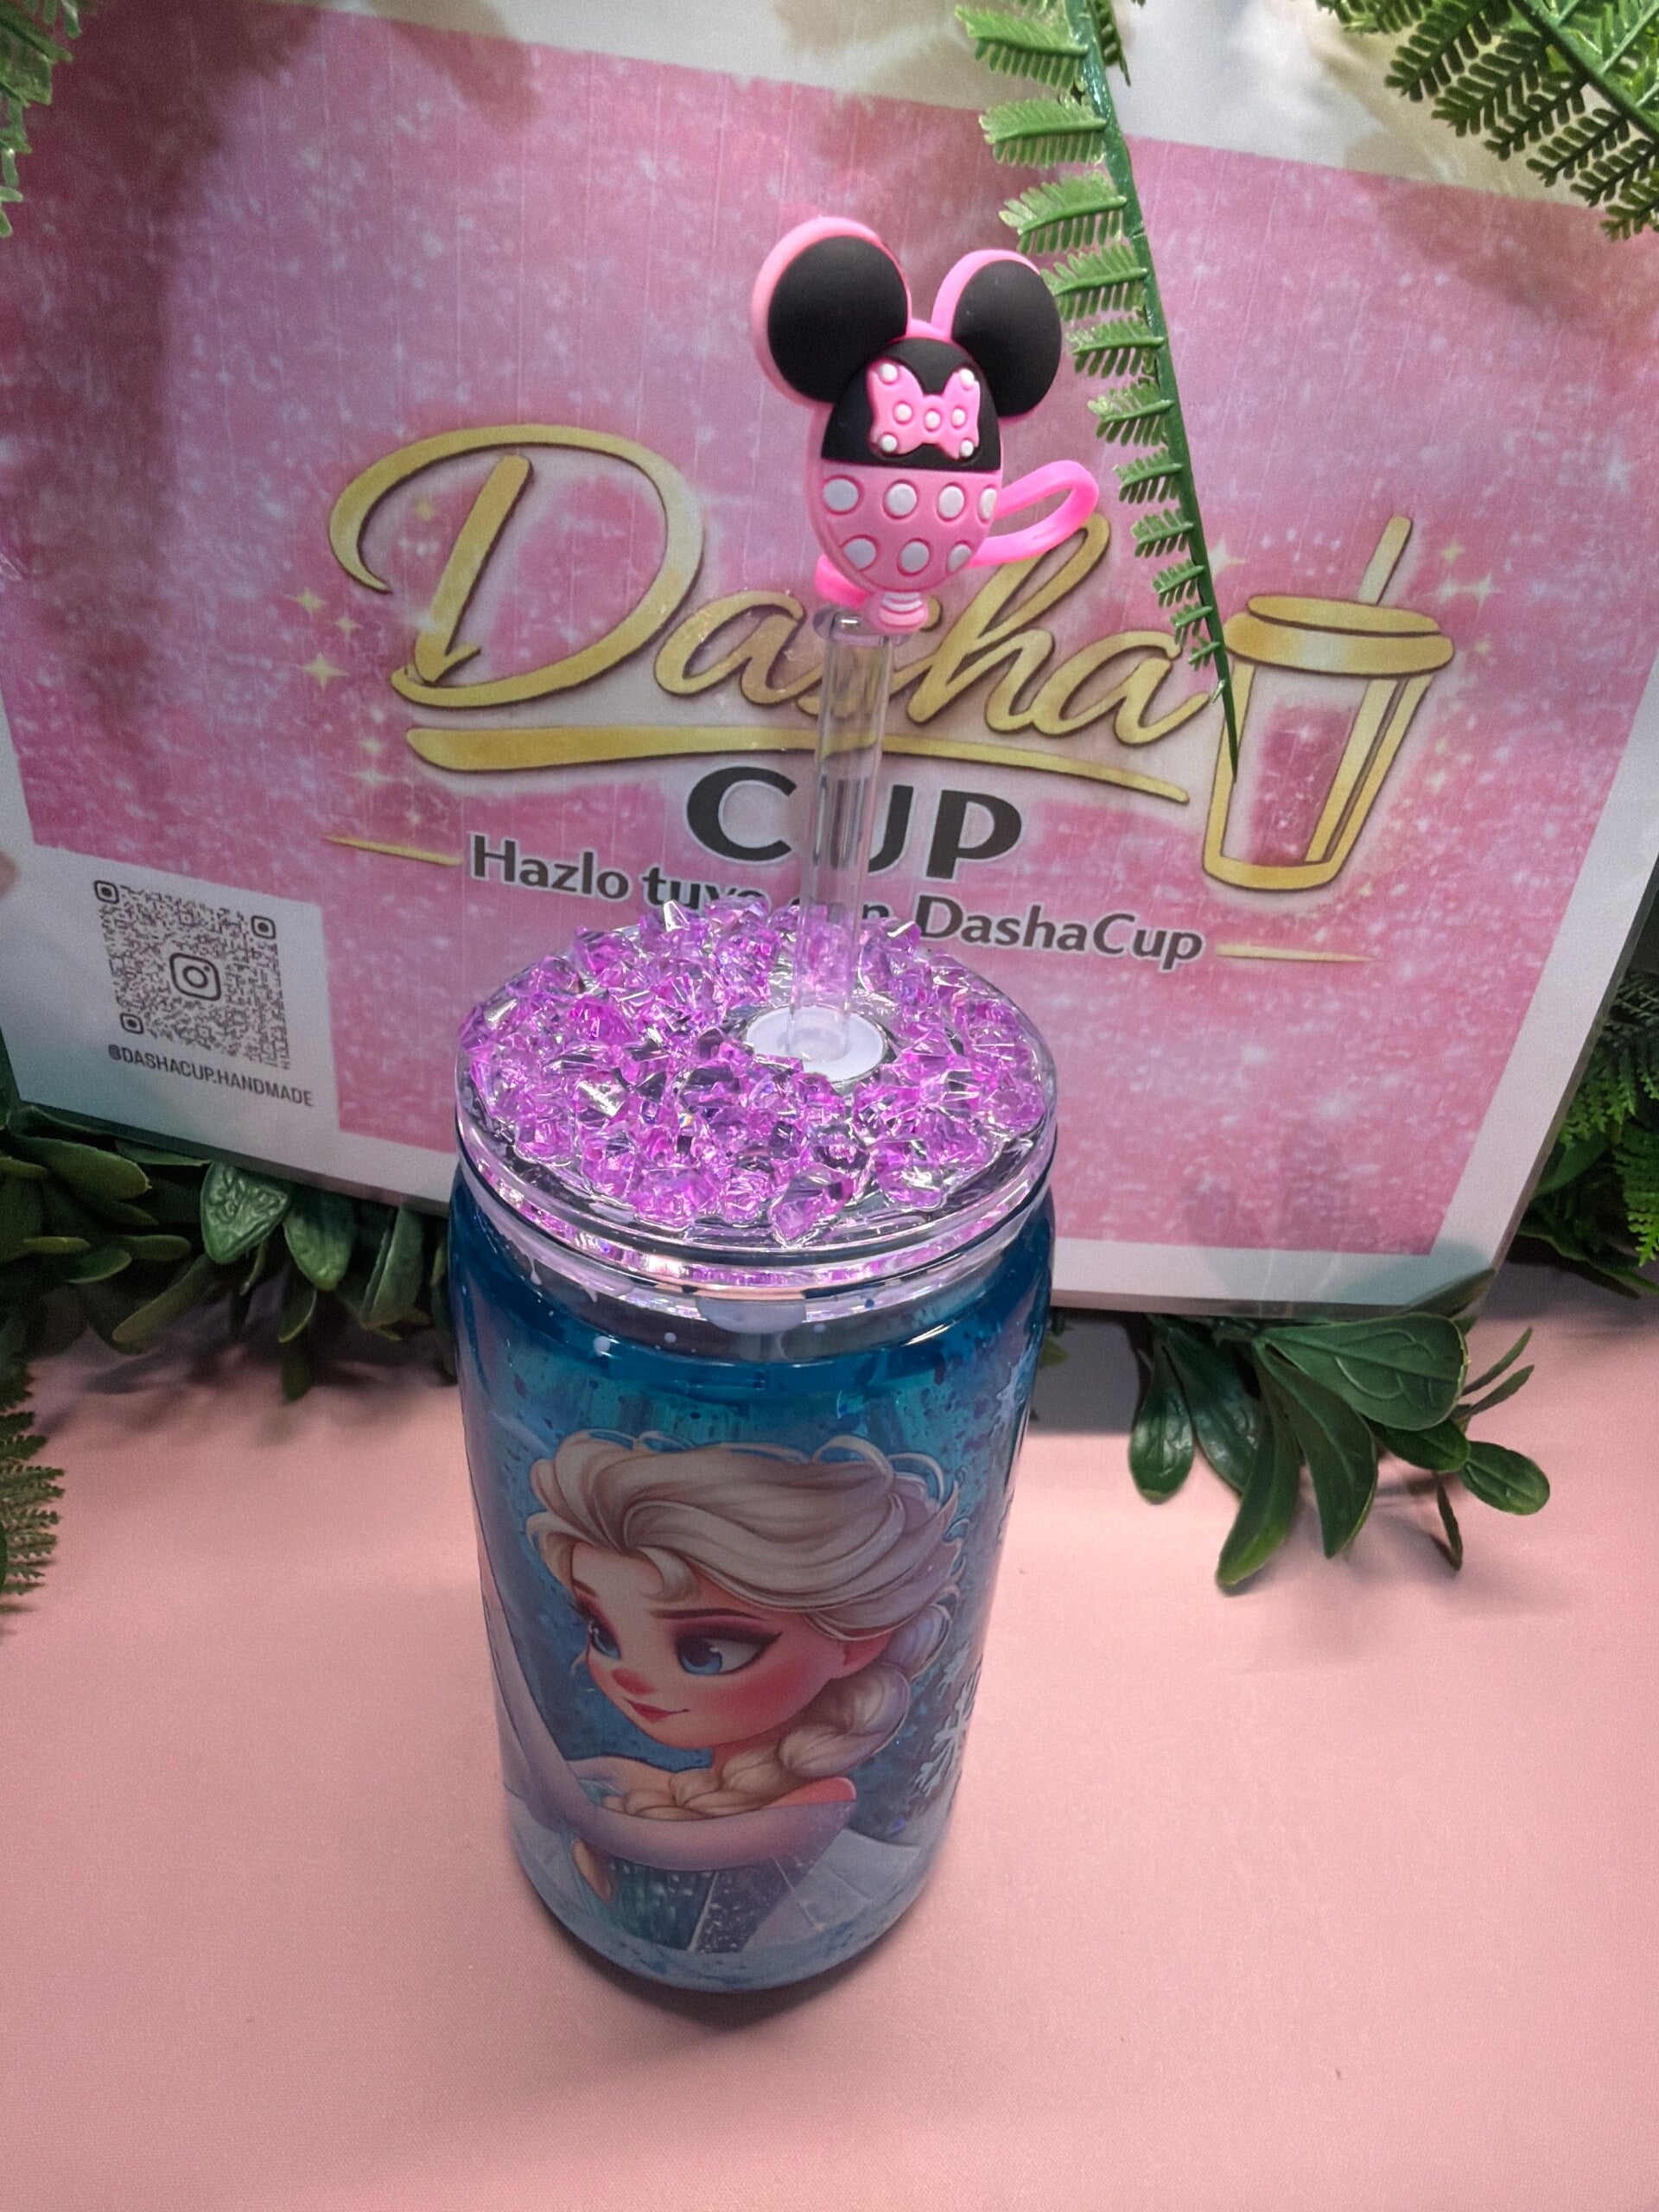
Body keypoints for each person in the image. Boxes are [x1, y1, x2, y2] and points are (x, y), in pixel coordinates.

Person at [524, 1428, 961, 1898]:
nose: (630, 1676)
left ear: (855, 1647)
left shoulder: (821, 1802)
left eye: (706, 1654)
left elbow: (646, 1842)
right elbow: (586, 1781)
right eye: (603, 1635)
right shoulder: (681, 1789)